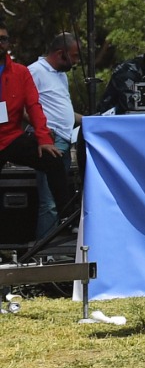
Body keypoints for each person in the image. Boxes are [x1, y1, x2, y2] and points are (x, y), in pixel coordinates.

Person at [0, 25, 72, 242]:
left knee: (53, 159)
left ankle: (68, 219)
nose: (0, 43)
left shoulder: (21, 72)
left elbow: (34, 106)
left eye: (3, 39)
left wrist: (43, 138)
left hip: (11, 136)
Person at [27, 32, 80, 239]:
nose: (75, 62)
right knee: (48, 200)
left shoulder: (61, 75)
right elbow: (22, 106)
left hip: (66, 138)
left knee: (61, 198)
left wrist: (90, 120)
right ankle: (44, 250)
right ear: (60, 53)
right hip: (50, 138)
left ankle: (56, 245)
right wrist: (41, 128)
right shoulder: (35, 71)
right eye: (74, 56)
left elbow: (62, 108)